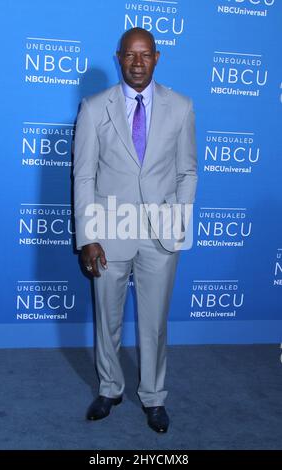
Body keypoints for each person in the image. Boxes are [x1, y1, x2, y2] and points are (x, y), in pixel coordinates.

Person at [73, 27, 197, 433]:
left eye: (145, 55)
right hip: (108, 230)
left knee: (154, 321)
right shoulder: (94, 108)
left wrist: (179, 218)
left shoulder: (181, 107)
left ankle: (154, 396)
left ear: (157, 58)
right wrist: (87, 235)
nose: (138, 62)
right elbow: (84, 176)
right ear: (118, 57)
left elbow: (187, 171)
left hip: (161, 233)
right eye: (130, 55)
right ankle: (109, 388)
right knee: (106, 317)